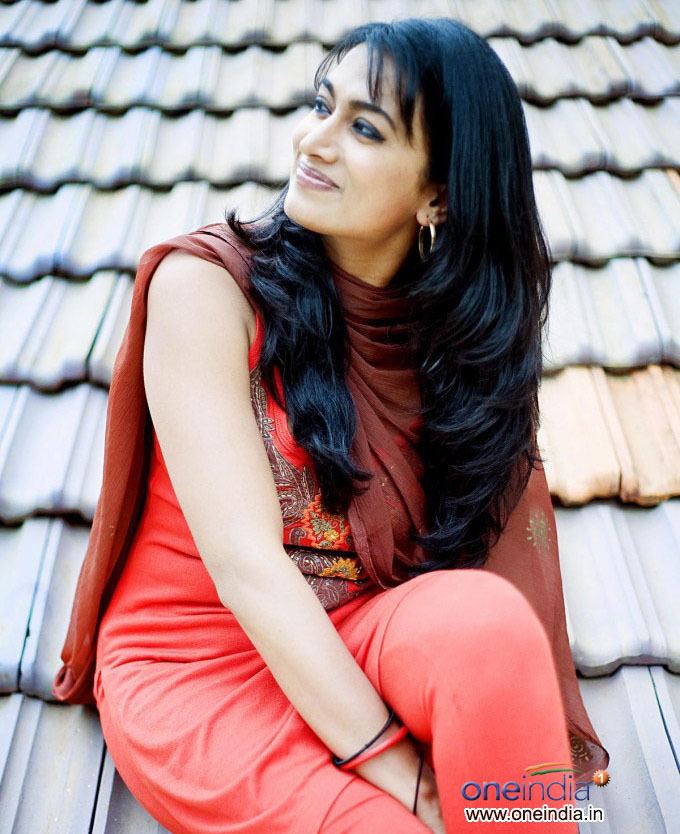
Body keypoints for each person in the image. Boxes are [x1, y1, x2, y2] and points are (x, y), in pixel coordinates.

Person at [53, 17, 609, 834]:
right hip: (203, 662)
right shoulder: (206, 289)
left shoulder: (460, 347)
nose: (313, 142)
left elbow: (481, 572)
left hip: (361, 630)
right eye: (323, 103)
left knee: (492, 631)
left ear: (439, 194)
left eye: (364, 127)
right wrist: (403, 773)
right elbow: (247, 571)